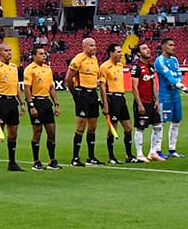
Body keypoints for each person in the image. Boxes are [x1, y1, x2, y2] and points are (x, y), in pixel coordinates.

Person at [0, 42, 24, 173]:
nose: (9, 53)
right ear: (0, 52)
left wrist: (22, 103)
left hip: (13, 102)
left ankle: (12, 163)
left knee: (13, 134)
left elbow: (17, 86)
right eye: (6, 51)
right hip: (1, 102)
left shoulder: (14, 67)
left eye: (10, 50)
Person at [66, 37, 102, 166]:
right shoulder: (78, 60)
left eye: (95, 45)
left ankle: (91, 157)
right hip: (83, 94)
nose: (94, 47)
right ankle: (75, 158)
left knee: (92, 127)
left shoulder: (94, 59)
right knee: (81, 126)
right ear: (84, 47)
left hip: (93, 94)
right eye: (91, 45)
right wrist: (76, 94)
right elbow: (68, 79)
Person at [25, 45, 60, 170]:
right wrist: (31, 106)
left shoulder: (47, 69)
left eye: (44, 53)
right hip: (36, 101)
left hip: (46, 102)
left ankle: (52, 160)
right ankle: (36, 161)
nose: (43, 55)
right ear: (34, 56)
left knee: (51, 132)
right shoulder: (30, 69)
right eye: (40, 54)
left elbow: (51, 87)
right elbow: (27, 89)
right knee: (37, 132)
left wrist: (56, 104)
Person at [98, 43, 134, 164]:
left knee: (128, 128)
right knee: (113, 129)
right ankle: (111, 156)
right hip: (111, 99)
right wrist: (105, 104)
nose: (121, 54)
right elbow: (102, 87)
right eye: (118, 52)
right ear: (111, 53)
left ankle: (129, 155)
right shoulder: (104, 67)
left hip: (121, 98)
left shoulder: (120, 65)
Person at [153, 39, 188, 159]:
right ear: (163, 47)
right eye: (170, 45)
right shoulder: (159, 61)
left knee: (176, 122)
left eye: (174, 44)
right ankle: (157, 150)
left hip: (175, 96)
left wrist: (178, 83)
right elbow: (167, 75)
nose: (173, 47)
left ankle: (172, 149)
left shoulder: (174, 60)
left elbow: (178, 74)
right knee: (161, 123)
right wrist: (179, 85)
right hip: (165, 97)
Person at [130, 42, 163, 162]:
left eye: (148, 48)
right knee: (140, 128)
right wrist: (139, 104)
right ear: (139, 53)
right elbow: (134, 87)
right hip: (142, 102)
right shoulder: (136, 67)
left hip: (151, 102)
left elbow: (154, 84)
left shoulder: (150, 66)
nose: (148, 50)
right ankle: (139, 154)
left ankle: (153, 152)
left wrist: (157, 100)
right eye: (144, 48)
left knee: (158, 125)